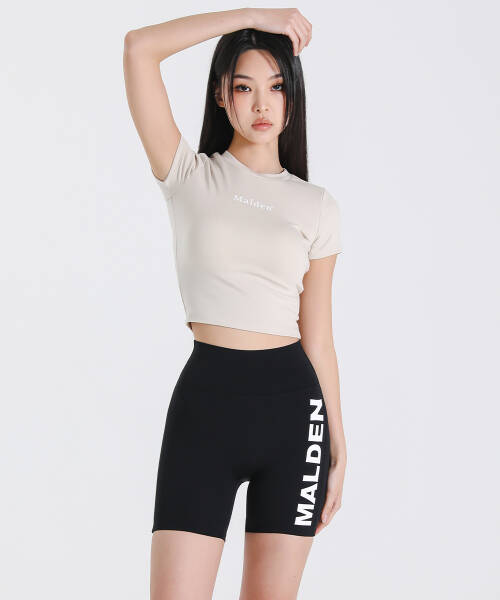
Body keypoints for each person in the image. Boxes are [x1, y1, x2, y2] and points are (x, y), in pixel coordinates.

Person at [123, 7, 347, 599]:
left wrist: (337, 443)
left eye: (276, 87)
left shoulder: (316, 206)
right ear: (221, 95)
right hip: (207, 405)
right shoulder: (189, 176)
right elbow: (139, 48)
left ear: (293, 97)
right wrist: (252, 14)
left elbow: (319, 338)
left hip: (295, 413)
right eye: (244, 87)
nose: (261, 104)